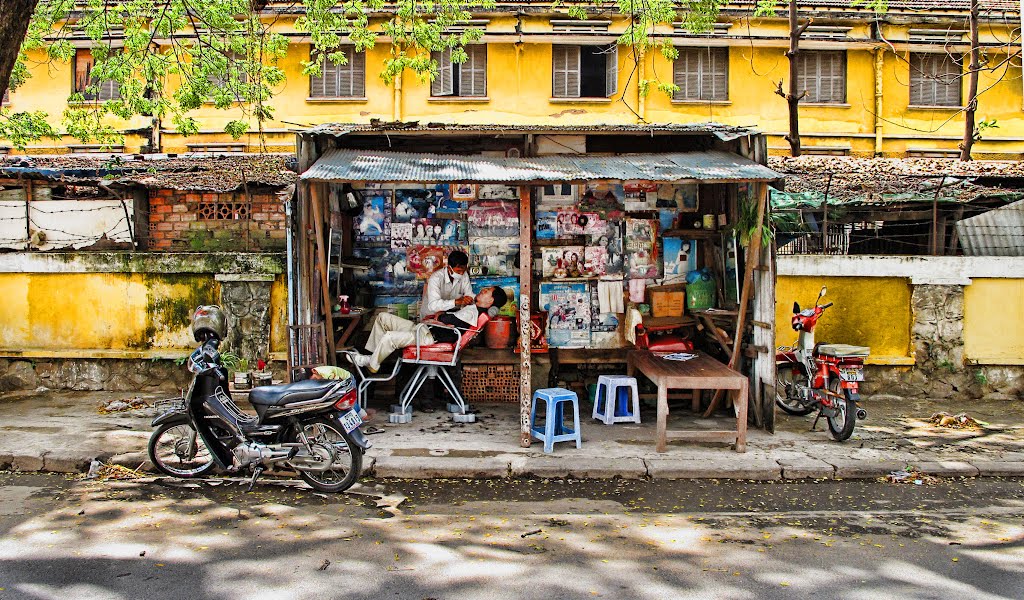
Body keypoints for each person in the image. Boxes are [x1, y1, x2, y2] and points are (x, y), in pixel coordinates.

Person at [346, 286, 507, 373]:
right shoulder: (471, 308)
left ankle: (369, 362)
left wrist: (440, 316)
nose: (483, 290)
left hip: (429, 337)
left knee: (389, 337)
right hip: (424, 328)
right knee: (383, 318)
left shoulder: (473, 312)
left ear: (491, 300)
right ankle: (373, 359)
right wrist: (439, 316)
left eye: (487, 291)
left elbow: (446, 319)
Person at [419, 249, 473, 320]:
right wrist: (456, 302)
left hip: (449, 315)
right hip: (431, 315)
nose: (462, 273)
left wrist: (468, 299)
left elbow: (469, 294)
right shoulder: (436, 278)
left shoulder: (464, 275)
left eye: (464, 270)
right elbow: (433, 305)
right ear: (449, 268)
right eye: (458, 271)